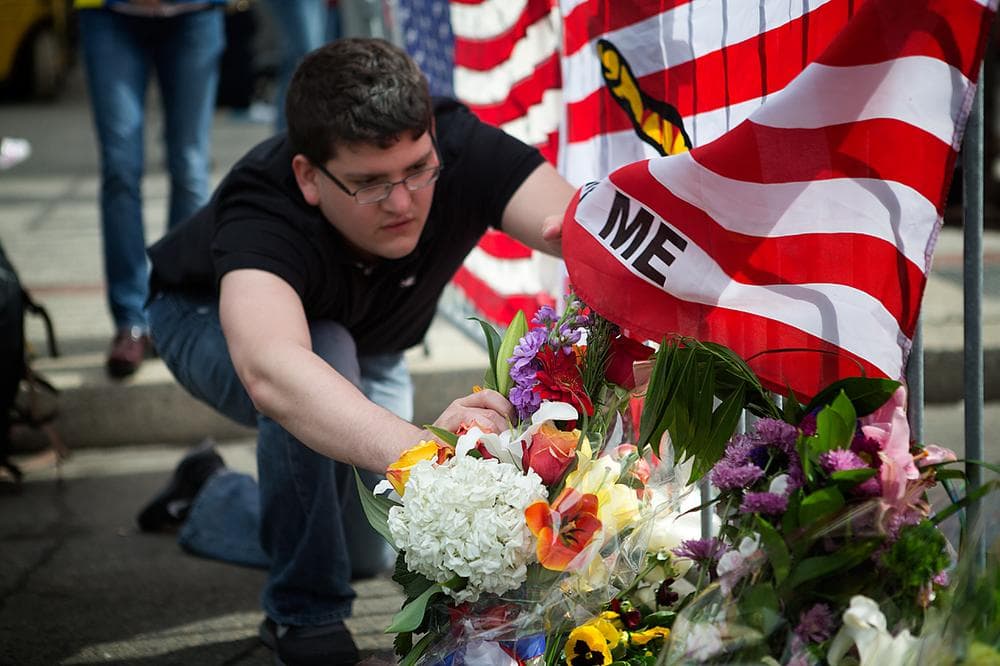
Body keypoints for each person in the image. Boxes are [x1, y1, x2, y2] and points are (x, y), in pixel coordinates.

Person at [140, 38, 575, 665]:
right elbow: (274, 370)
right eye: (370, 184)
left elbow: (578, 227)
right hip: (206, 319)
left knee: (370, 545)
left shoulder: (455, 143)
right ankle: (302, 614)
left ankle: (207, 492)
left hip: (366, 341)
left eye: (418, 170)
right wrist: (429, 456)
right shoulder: (262, 202)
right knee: (323, 355)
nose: (403, 202)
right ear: (308, 176)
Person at [74, 0, 227, 378]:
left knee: (190, 167)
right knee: (121, 169)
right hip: (109, 14)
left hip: (195, 13)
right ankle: (131, 320)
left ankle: (178, 310)